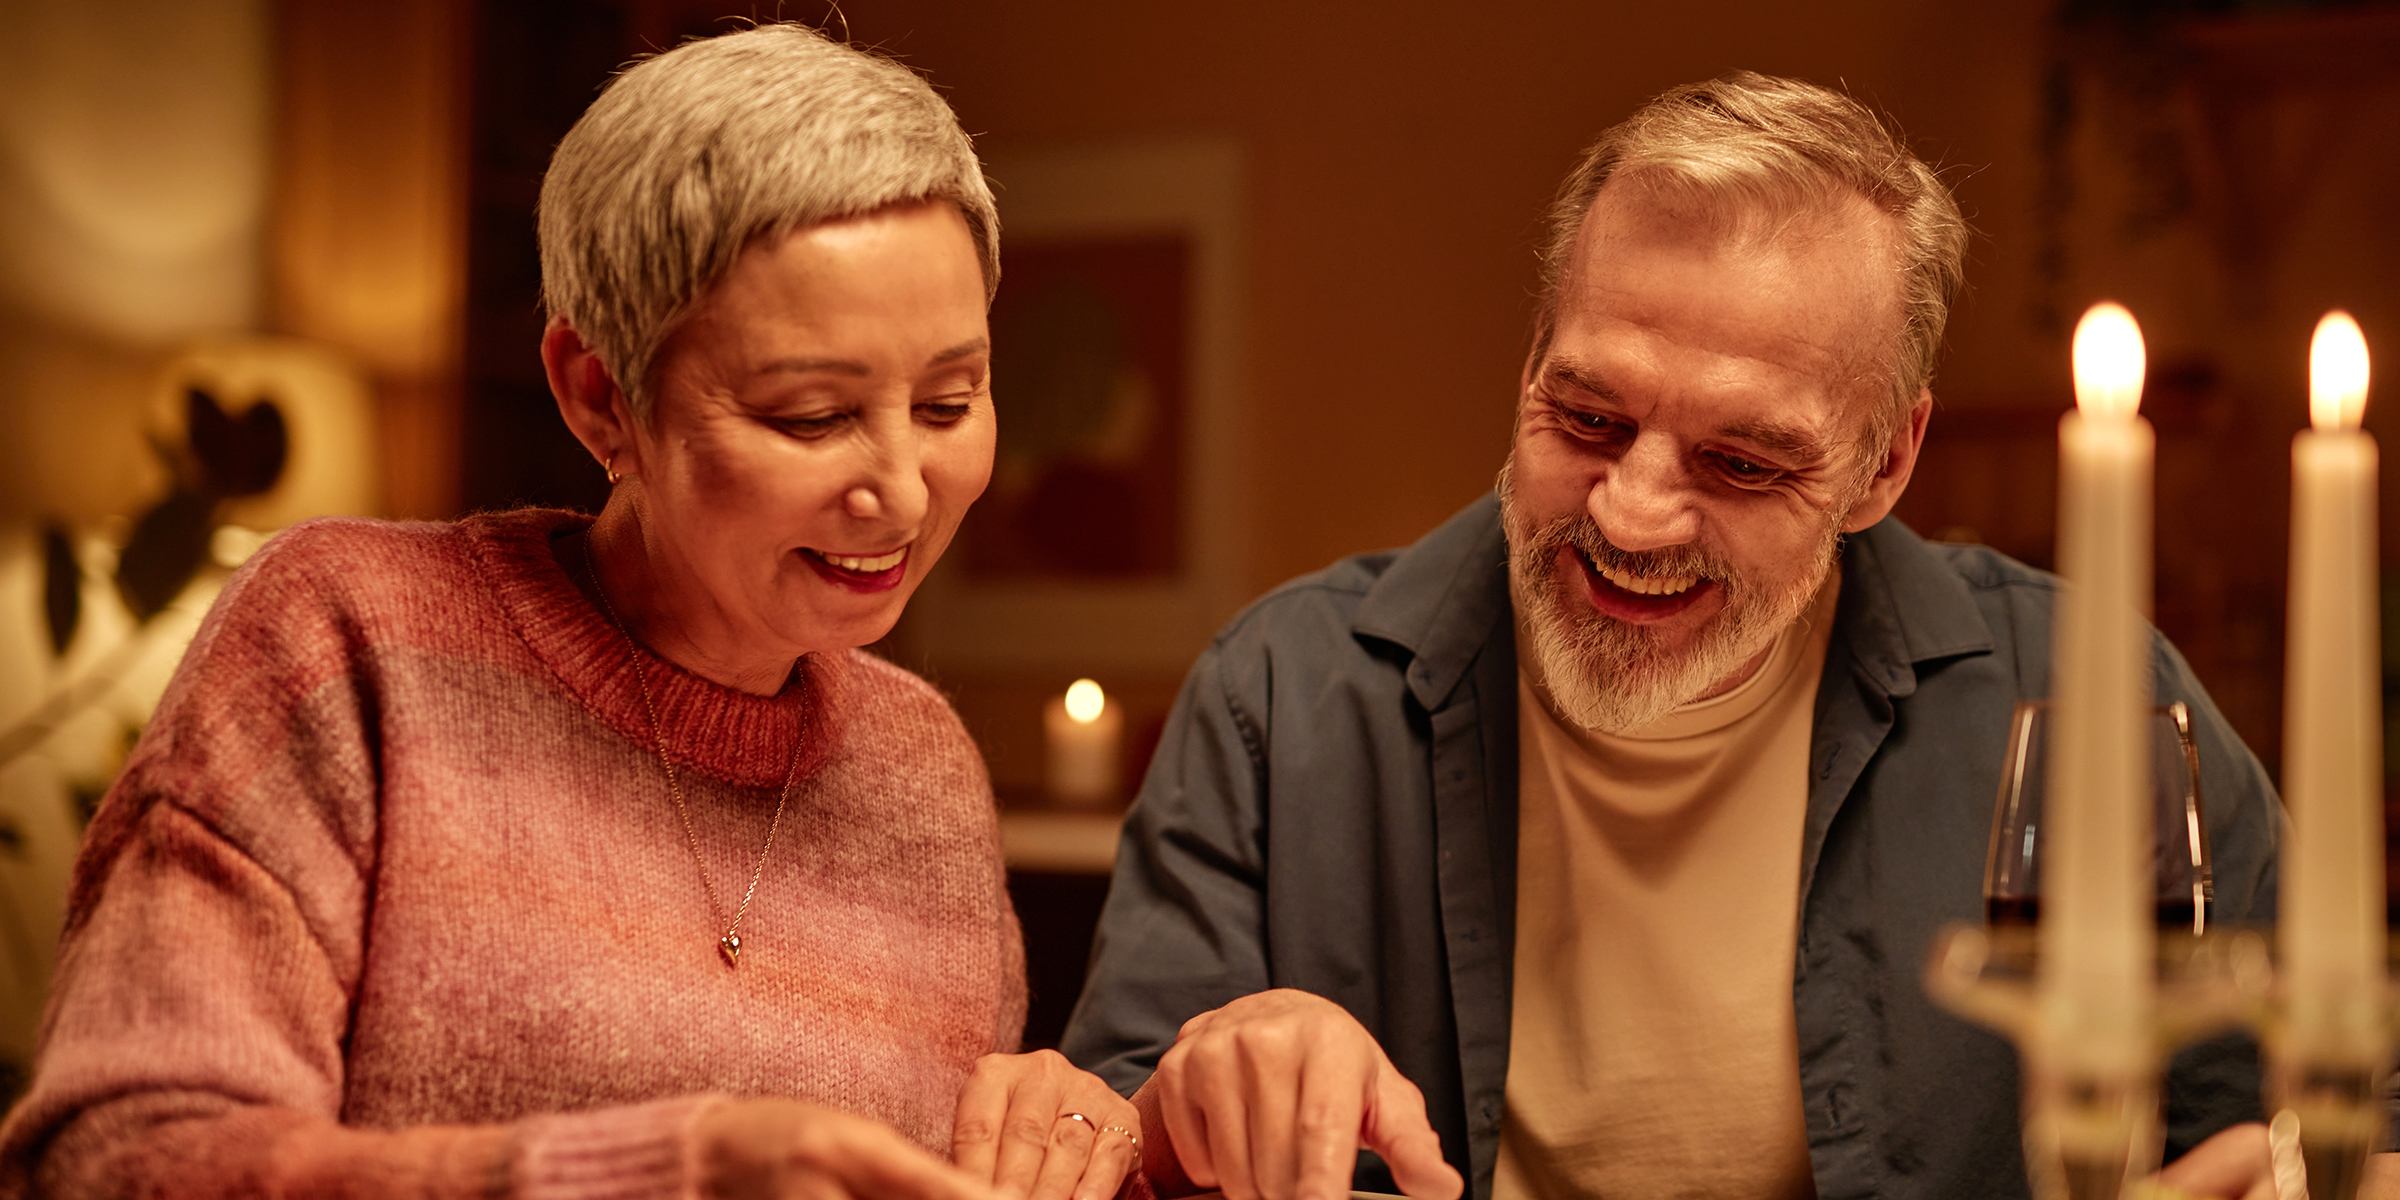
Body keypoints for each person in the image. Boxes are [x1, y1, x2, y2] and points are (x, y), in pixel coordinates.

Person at [1060, 73, 2298, 1200]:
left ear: (1886, 465)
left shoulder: (2080, 696)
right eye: (1588, 418)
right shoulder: (1282, 697)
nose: (1632, 513)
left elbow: (2323, 1093)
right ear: (1530, 364)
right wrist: (1185, 1110)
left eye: (1742, 461)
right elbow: (1107, 1141)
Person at [0, 24, 1139, 1200]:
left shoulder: (923, 774)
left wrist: (1084, 1140)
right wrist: (660, 1170)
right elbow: (118, 1161)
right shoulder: (346, 645)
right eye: (810, 416)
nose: (902, 488)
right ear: (600, 396)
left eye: (951, 402)